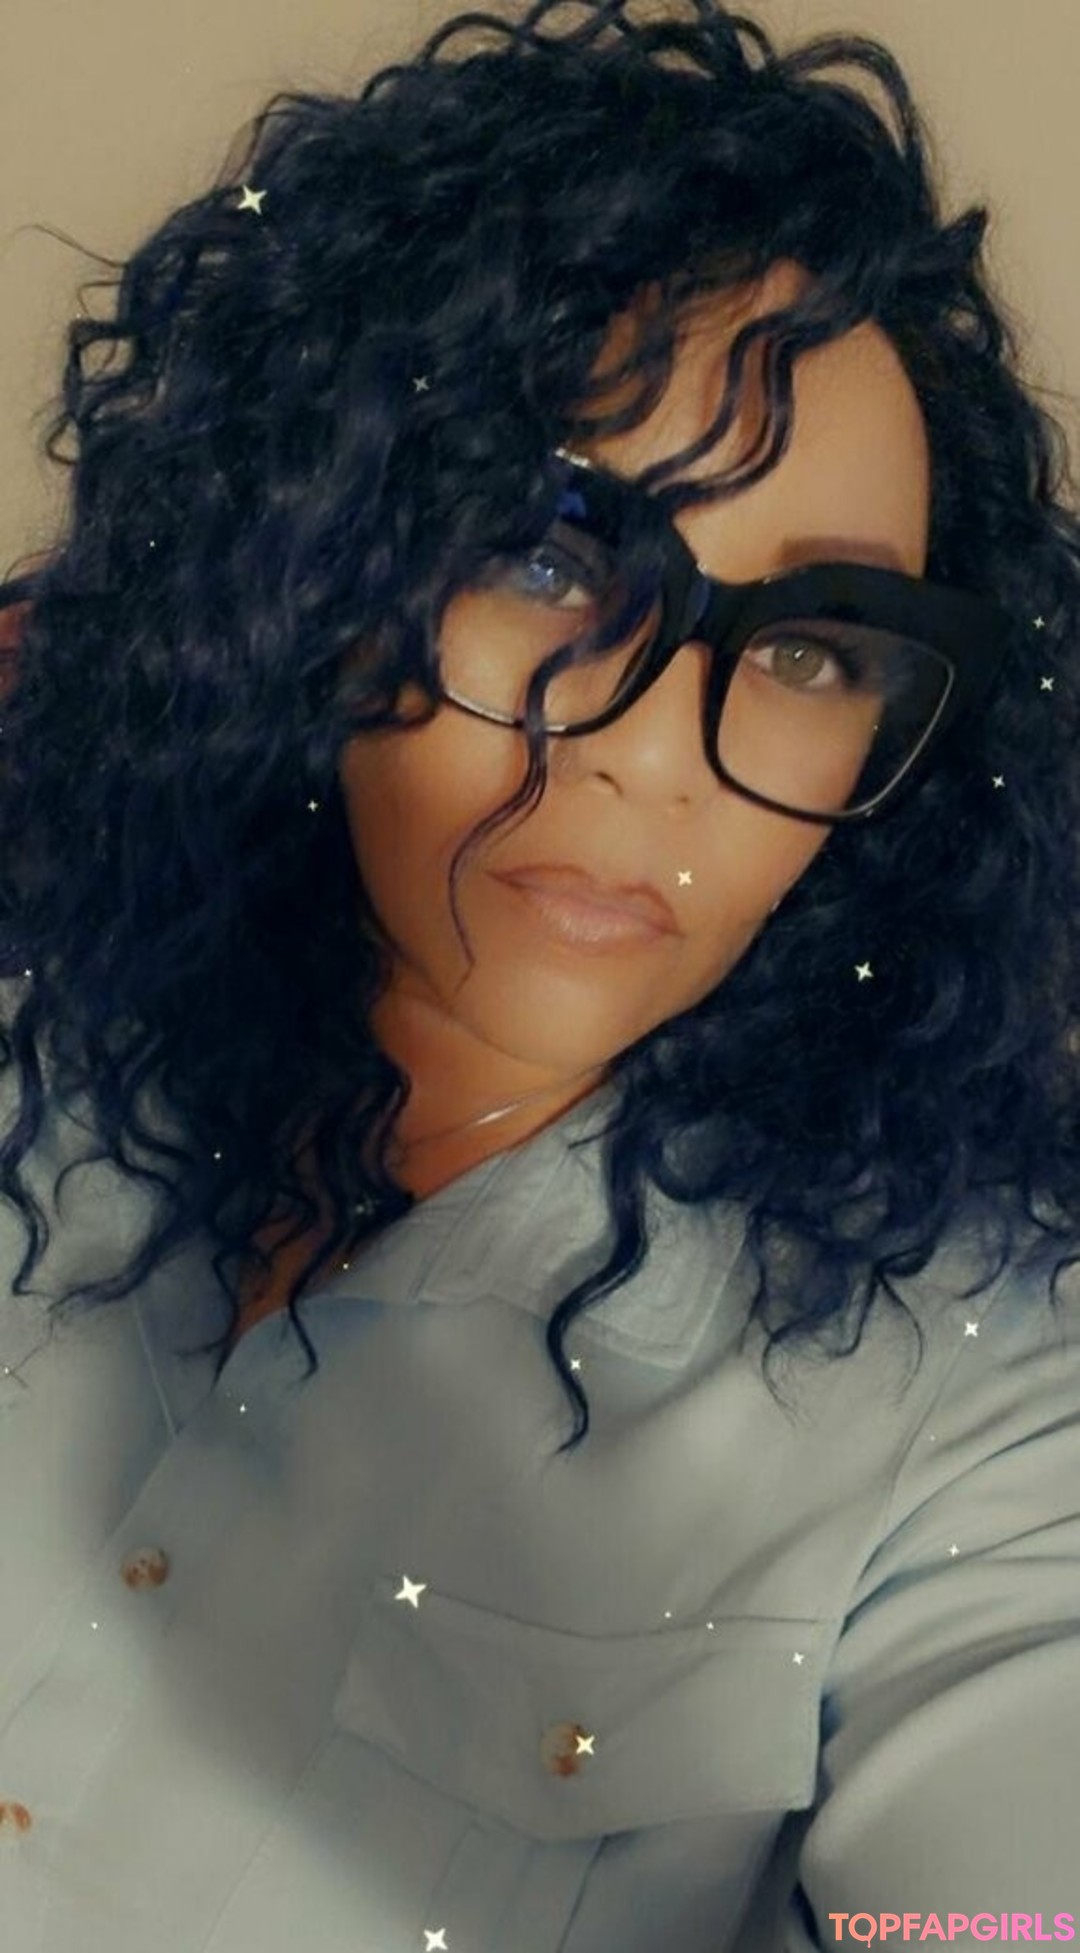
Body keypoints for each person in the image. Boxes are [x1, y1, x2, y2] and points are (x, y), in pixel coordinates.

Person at [1, 2, 1079, 1947]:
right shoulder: (42, 1014)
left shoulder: (985, 1415)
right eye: (562, 561)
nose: (657, 746)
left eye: (816, 646)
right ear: (323, 560)